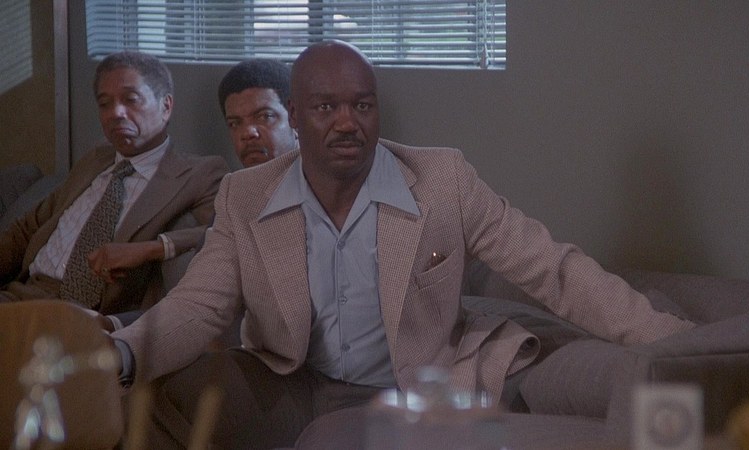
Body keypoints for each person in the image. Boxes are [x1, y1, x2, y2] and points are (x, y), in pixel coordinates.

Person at [111, 41, 696, 449]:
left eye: (362, 105)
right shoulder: (246, 195)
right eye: (327, 107)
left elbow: (551, 269)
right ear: (295, 115)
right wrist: (122, 355)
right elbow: (201, 305)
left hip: (409, 386)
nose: (348, 122)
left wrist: (688, 346)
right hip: (291, 382)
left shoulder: (442, 180)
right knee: (160, 390)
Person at [0, 51, 228, 330]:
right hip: (21, 295)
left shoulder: (198, 173)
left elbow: (226, 233)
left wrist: (151, 248)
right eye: (104, 104)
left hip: (85, 317)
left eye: (131, 99)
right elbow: (28, 228)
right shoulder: (95, 160)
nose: (115, 113)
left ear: (166, 106)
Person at [217, 58, 297, 168]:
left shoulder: (318, 176)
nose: (247, 133)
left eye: (265, 116)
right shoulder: (233, 179)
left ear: (295, 117)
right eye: (234, 123)